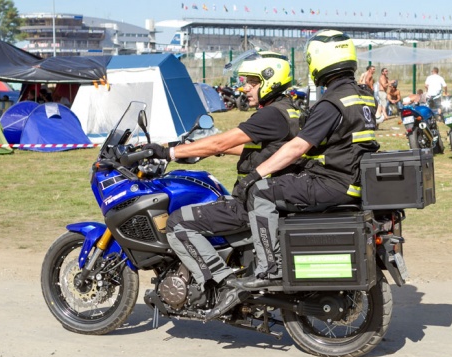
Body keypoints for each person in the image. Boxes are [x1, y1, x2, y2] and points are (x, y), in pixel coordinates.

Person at [144, 57, 302, 321]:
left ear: (270, 80)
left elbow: (223, 140)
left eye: (253, 82)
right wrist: (201, 152)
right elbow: (257, 149)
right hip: (277, 195)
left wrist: (168, 151)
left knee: (178, 222)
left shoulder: (271, 114)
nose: (245, 89)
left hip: (252, 201)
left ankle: (221, 283)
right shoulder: (290, 110)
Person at [228, 30, 379, 290]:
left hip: (333, 180)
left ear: (318, 60)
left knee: (261, 192)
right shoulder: (362, 95)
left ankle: (268, 270)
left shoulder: (331, 102)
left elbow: (298, 146)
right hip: (353, 178)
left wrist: (255, 176)